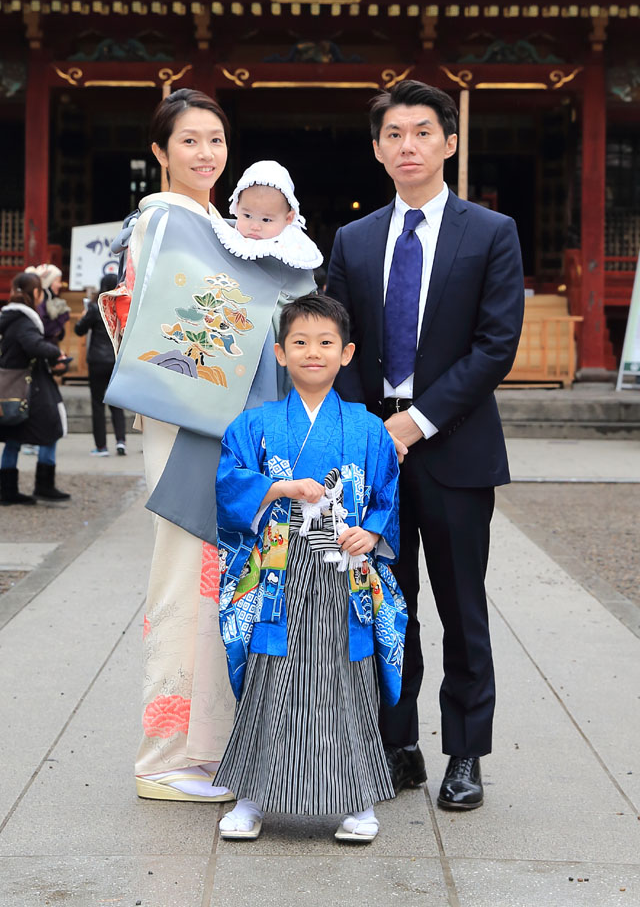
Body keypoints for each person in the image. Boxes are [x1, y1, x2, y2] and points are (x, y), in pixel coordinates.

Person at [98, 90, 318, 802]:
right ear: (160, 152)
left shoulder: (216, 225)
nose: (206, 153)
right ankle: (163, 755)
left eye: (216, 140)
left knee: (216, 578)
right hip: (189, 418)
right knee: (185, 578)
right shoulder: (165, 220)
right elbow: (151, 323)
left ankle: (205, 748)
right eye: (189, 140)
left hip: (213, 416)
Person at [326, 80, 524, 810]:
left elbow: (495, 345)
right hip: (371, 454)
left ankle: (465, 752)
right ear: (378, 149)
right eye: (393, 134)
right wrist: (365, 431)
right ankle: (396, 744)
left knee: (461, 604)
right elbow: (337, 343)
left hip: (456, 448)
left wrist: (416, 422)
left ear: (449, 141)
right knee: (385, 601)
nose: (407, 145)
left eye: (421, 132)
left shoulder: (490, 233)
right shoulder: (352, 239)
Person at [213, 293, 406, 843]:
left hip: (344, 573)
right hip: (278, 574)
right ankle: (252, 797)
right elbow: (229, 487)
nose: (312, 352)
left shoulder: (369, 428)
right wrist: (279, 486)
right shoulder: (255, 425)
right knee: (270, 680)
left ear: (347, 354)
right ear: (279, 352)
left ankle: (358, 800)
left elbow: (387, 497)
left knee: (348, 681)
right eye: (300, 342)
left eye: (325, 343)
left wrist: (371, 531)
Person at [0, 272, 70, 504]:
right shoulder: (23, 320)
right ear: (36, 293)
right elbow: (33, 344)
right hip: (29, 386)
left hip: (14, 385)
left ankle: (7, 490)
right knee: (51, 426)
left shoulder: (11, 317)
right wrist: (56, 353)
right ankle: (44, 484)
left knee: (14, 435)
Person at [74, 274, 127, 456]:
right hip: (114, 359)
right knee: (116, 402)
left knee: (98, 404)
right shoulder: (120, 306)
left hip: (97, 360)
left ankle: (101, 447)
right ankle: (121, 441)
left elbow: (79, 330)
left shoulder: (96, 307)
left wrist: (83, 316)